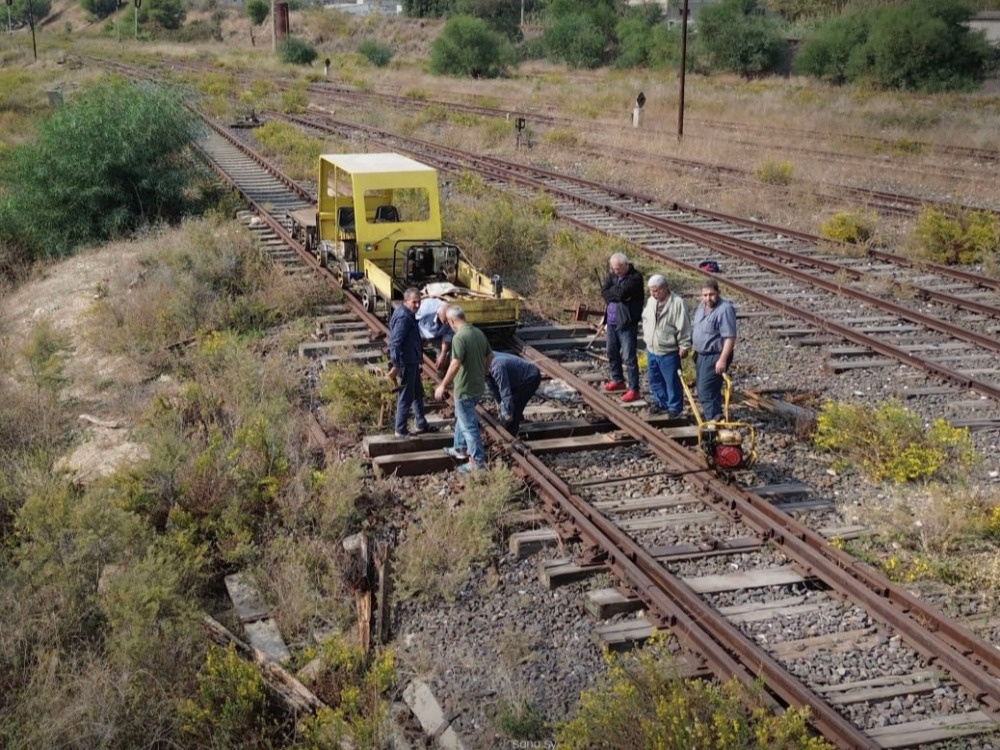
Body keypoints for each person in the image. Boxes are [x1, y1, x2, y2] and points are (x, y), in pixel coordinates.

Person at [434, 307, 493, 473]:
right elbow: (490, 356)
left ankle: (477, 461)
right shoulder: (478, 332)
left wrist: (443, 384)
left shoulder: (459, 337)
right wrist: (483, 372)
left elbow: (455, 364)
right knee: (463, 416)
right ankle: (459, 448)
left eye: (447, 322)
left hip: (465, 388)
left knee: (468, 425)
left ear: (452, 321)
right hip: (477, 386)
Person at [641, 274, 692, 418]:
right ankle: (660, 403)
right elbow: (646, 319)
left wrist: (684, 345)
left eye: (655, 290)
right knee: (655, 379)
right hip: (652, 348)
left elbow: (684, 326)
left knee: (672, 381)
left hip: (668, 350)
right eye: (651, 290)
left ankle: (675, 407)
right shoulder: (651, 301)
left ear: (664, 288)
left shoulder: (677, 303)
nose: (653, 293)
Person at [388, 288, 436, 438]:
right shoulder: (404, 318)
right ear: (405, 301)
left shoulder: (408, 314)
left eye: (419, 302)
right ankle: (400, 429)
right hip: (406, 362)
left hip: (412, 360)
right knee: (406, 394)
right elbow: (395, 343)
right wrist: (396, 365)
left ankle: (421, 423)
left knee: (416, 392)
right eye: (414, 302)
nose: (417, 305)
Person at [600, 252, 644, 403]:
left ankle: (634, 389)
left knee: (629, 356)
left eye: (618, 269)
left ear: (626, 265)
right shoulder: (612, 276)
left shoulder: (635, 277)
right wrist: (615, 294)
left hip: (626, 321)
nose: (616, 271)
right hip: (611, 320)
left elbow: (622, 293)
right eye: (614, 269)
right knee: (611, 351)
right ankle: (617, 379)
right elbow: (604, 292)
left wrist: (615, 293)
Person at [692, 278, 737, 422]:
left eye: (711, 294)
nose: (708, 298)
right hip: (701, 354)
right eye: (705, 295)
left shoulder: (725, 309)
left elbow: (730, 337)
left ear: (718, 293)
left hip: (715, 355)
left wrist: (722, 359)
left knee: (706, 389)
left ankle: (713, 420)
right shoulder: (702, 306)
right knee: (704, 388)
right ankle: (716, 416)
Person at [486, 352, 542, 435]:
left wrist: (508, 413)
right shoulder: (486, 359)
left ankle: (511, 432)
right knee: (511, 401)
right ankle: (516, 419)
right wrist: (498, 401)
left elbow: (505, 391)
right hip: (516, 378)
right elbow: (492, 386)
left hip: (530, 378)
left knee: (515, 404)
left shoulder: (497, 366)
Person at [415, 297, 453, 374]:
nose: (447, 324)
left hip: (437, 334)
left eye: (448, 322)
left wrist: (443, 354)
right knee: (412, 352)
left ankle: (441, 374)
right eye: (445, 321)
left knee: (444, 356)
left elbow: (447, 336)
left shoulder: (452, 319)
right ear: (438, 314)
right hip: (420, 330)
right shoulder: (426, 309)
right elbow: (411, 318)